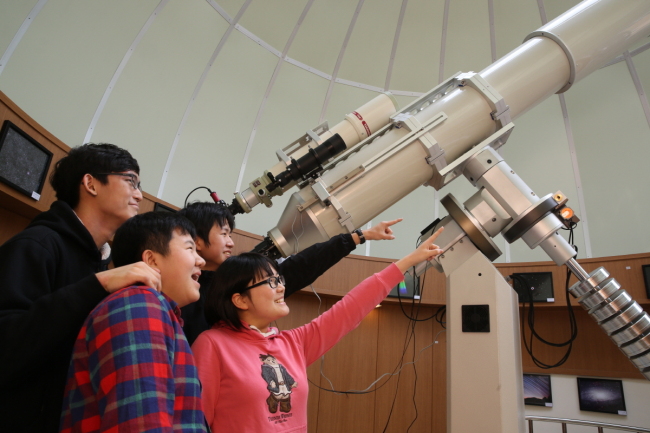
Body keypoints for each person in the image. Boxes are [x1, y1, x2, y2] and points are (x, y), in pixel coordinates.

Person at [192, 227, 444, 432]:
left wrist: (409, 261)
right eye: (270, 282)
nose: (280, 287)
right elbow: (194, 421)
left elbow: (349, 309)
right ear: (240, 299)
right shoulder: (212, 344)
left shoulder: (293, 343)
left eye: (279, 279)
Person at [0, 143, 161, 433]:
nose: (139, 194)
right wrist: (97, 285)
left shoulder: (102, 262)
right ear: (90, 183)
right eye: (131, 182)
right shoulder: (36, 246)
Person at [59, 212, 207, 433]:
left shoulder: (155, 308)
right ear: (152, 260)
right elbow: (141, 424)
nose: (201, 260)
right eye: (189, 248)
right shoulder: (140, 302)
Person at [178, 201, 402, 345]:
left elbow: (300, 267)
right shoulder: (175, 292)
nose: (230, 242)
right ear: (195, 239)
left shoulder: (236, 281)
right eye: (224, 234)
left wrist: (358, 236)